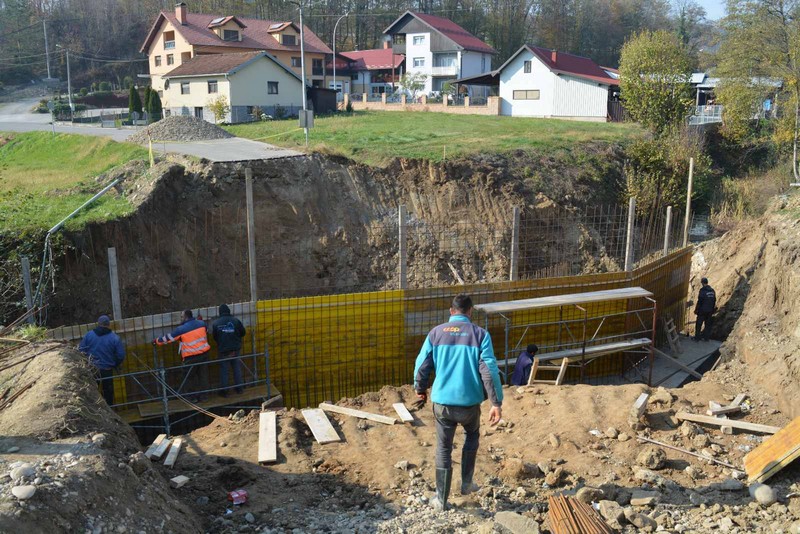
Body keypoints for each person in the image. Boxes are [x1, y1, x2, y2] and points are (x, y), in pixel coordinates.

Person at [414, 294, 503, 512]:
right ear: (470, 312)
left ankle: (441, 500)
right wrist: (495, 402)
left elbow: (422, 364)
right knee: (471, 436)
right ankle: (466, 484)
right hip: (469, 404)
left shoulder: (436, 333)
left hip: (443, 403)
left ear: (451, 311)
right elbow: (489, 370)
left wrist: (420, 388)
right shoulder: (480, 335)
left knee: (443, 447)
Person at [154, 309, 211, 401]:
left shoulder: (181, 329)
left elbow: (168, 338)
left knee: (188, 377)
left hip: (190, 357)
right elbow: (206, 331)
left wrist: (157, 341)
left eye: (181, 317)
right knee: (203, 376)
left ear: (185, 317)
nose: (180, 319)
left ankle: (191, 398)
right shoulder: (202, 324)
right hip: (204, 355)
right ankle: (204, 397)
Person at [79, 315, 125, 406]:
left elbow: (81, 350)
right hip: (107, 370)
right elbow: (121, 355)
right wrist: (115, 364)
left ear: (98, 324)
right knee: (108, 393)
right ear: (109, 325)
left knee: (93, 392)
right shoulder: (114, 338)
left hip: (92, 370)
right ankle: (110, 411)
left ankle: (96, 411)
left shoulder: (89, 335)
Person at [212, 304, 247, 397]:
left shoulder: (216, 323)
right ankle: (239, 389)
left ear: (220, 312)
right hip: (235, 349)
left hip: (223, 350)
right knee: (236, 368)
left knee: (224, 370)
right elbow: (243, 332)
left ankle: (224, 391)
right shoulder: (236, 321)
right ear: (228, 311)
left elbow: (215, 337)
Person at [694, 277, 716, 342]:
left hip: (702, 310)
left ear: (702, 283)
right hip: (710, 311)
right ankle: (706, 338)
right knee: (707, 325)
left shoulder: (702, 290)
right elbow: (714, 300)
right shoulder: (712, 291)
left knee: (699, 324)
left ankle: (697, 338)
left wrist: (696, 310)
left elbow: (700, 301)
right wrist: (712, 309)